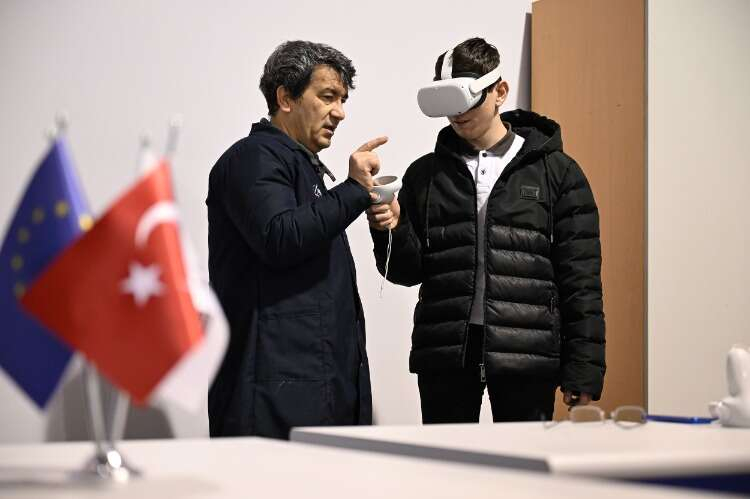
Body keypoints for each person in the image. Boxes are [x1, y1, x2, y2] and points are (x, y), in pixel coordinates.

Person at [368, 37, 605, 423]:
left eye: (466, 102)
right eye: (448, 105)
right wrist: (390, 227)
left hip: (527, 351)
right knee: (446, 459)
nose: (457, 115)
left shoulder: (557, 172)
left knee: (522, 461)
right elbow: (406, 272)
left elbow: (581, 280)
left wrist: (584, 368)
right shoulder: (426, 175)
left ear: (500, 92)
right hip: (446, 353)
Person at [207, 40, 386, 438]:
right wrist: (353, 190)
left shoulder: (302, 167)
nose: (339, 112)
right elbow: (280, 237)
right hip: (271, 402)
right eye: (327, 97)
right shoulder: (252, 157)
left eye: (342, 100)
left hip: (311, 394)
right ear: (285, 98)